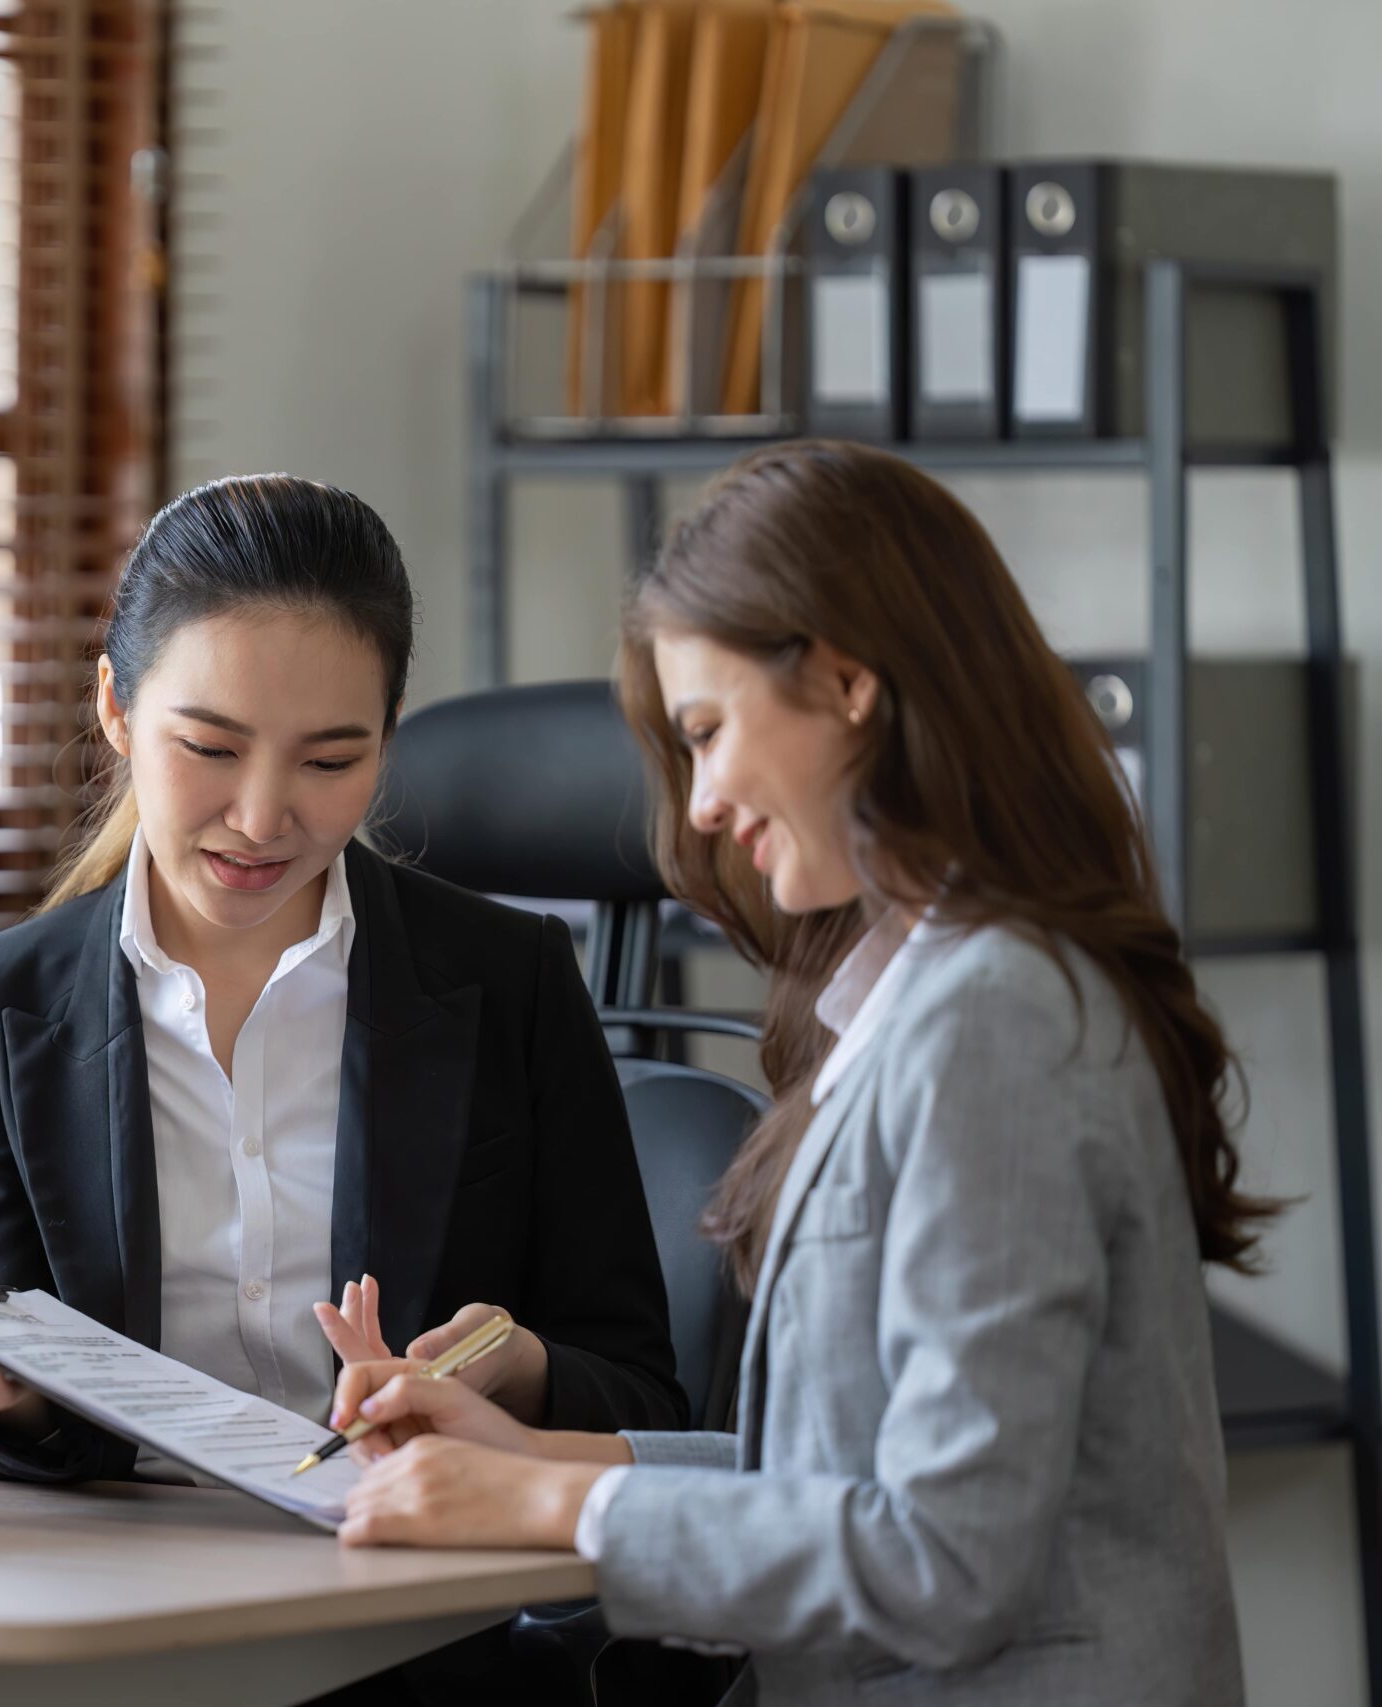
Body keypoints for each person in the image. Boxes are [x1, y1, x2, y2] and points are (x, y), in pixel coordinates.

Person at [328, 441, 1263, 1704]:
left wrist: (559, 1502)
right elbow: (844, 1482)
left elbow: (942, 1555)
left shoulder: (994, 1024)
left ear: (844, 681)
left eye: (708, 732)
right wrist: (551, 1459)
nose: (701, 805)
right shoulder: (923, 998)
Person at [0, 473, 685, 1492]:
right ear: (115, 707)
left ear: (386, 743)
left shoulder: (507, 979)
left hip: (414, 1574)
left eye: (329, 762)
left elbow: (644, 1396)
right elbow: (16, 1438)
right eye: (210, 748)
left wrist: (516, 1375)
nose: (260, 819)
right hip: (114, 1573)